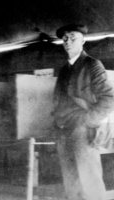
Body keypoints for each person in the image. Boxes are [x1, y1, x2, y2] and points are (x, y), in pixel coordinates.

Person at [53, 24, 114, 200]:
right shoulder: (64, 69)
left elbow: (109, 98)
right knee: (71, 185)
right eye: (64, 37)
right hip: (64, 131)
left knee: (90, 185)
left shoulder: (92, 65)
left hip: (83, 132)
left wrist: (87, 122)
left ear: (83, 40)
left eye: (73, 37)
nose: (68, 41)